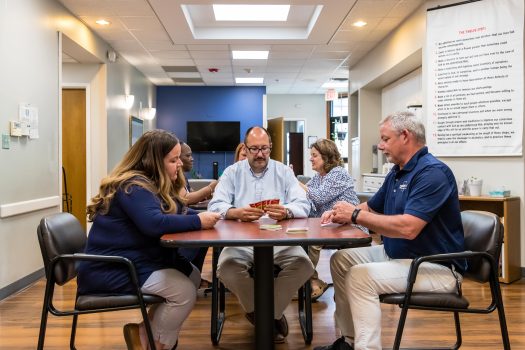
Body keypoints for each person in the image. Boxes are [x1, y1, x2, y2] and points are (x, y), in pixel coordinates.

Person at [314, 111, 466, 350]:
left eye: (385, 139)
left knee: (360, 277)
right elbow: (371, 207)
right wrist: (342, 213)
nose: (380, 145)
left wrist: (354, 215)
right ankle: (350, 341)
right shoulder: (397, 172)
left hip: (436, 267)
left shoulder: (432, 173)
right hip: (401, 257)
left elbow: (408, 228)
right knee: (341, 260)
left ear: (405, 136)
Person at [77, 130, 221, 350]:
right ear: (153, 162)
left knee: (191, 275)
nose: (179, 164)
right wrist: (199, 221)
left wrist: (217, 216)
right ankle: (155, 344)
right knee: (183, 291)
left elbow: (176, 212)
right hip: (110, 269)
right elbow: (154, 223)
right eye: (173, 160)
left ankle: (143, 332)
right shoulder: (133, 186)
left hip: (134, 260)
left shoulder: (150, 184)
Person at [208, 126, 314, 343]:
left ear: (271, 148)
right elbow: (215, 205)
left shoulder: (283, 171)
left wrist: (286, 211)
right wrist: (235, 211)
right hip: (240, 240)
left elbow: (303, 204)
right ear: (245, 149)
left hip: (280, 239)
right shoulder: (232, 172)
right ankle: (262, 315)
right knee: (226, 268)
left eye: (264, 148)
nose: (259, 154)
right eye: (254, 149)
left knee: (304, 265)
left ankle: (269, 314)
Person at [299, 139, 367, 301]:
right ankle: (311, 281)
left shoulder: (338, 173)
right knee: (303, 237)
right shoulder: (319, 177)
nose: (311, 159)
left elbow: (319, 197)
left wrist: (295, 181)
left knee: (312, 242)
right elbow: (307, 197)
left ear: (326, 157)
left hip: (351, 226)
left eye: (314, 155)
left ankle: (310, 281)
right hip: (332, 224)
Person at [178, 142, 217, 283]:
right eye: (188, 155)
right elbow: (185, 199)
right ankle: (189, 273)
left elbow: (191, 195)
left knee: (206, 234)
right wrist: (210, 188)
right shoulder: (175, 176)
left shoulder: (183, 177)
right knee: (204, 234)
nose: (192, 158)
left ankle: (195, 275)